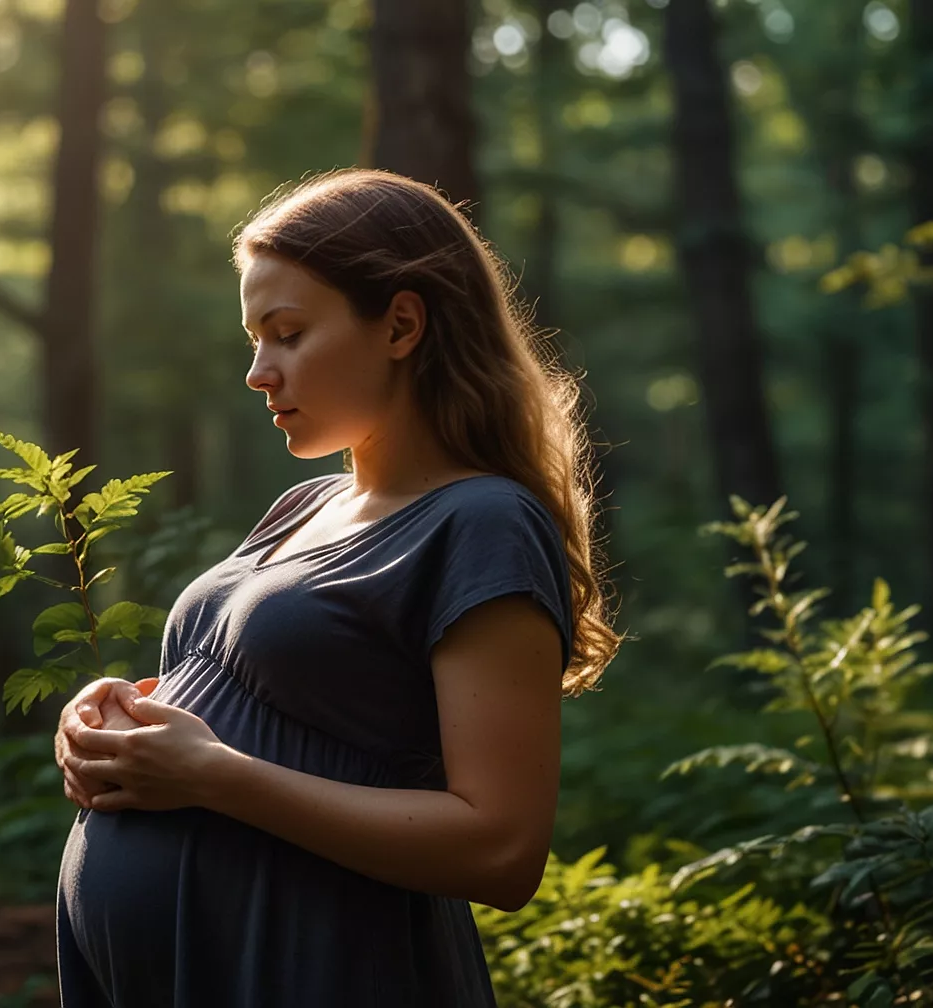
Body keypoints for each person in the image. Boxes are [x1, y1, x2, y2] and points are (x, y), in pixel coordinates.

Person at [51, 168, 618, 1008]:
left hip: (324, 966)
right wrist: (113, 726)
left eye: (287, 333)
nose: (258, 372)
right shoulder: (302, 506)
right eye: (254, 338)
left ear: (400, 323)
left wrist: (211, 776)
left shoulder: (482, 522)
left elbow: (500, 850)